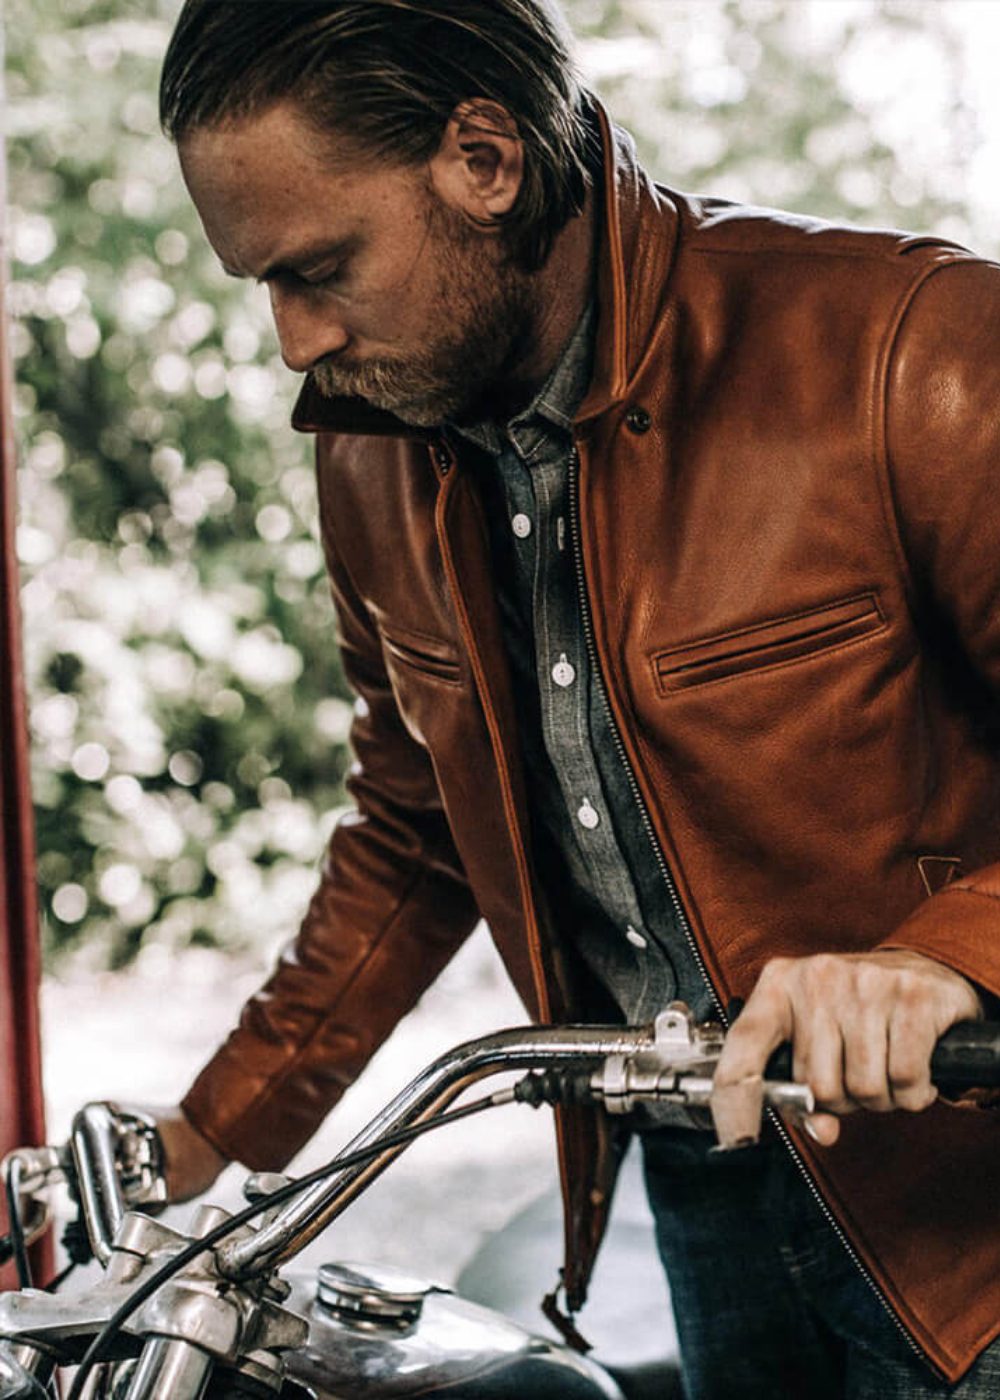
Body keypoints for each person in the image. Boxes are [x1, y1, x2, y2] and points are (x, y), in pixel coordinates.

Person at [146, 2, 1000, 1395]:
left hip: (970, 1200)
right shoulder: (377, 452)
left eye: (321, 269)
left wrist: (942, 959)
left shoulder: (915, 348)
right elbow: (419, 825)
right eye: (264, 288)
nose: (295, 343)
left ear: (483, 160)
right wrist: (211, 1128)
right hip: (703, 1175)